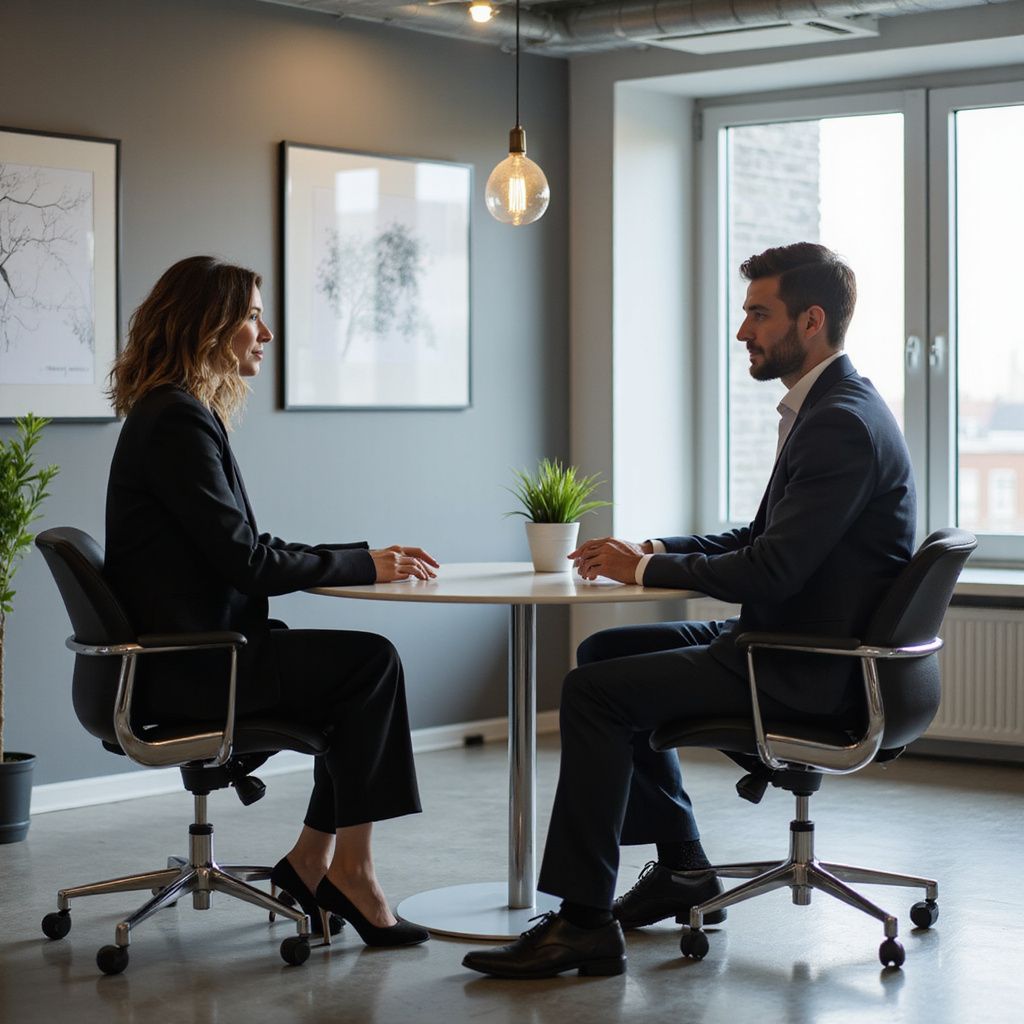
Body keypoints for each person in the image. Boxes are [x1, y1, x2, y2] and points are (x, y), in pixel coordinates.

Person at [462, 242, 916, 978]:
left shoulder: (839, 423)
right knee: (607, 657)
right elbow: (762, 538)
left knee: (593, 694)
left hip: (804, 665)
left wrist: (644, 569)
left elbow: (770, 567)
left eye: (758, 315)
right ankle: (684, 867)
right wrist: (654, 547)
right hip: (790, 638)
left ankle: (583, 922)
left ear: (811, 320)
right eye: (745, 314)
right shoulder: (831, 407)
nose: (744, 332)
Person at [105, 255, 439, 948]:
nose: (267, 332)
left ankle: (316, 863)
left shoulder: (176, 411)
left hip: (192, 655)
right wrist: (363, 566)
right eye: (253, 315)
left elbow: (241, 546)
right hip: (197, 668)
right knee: (369, 665)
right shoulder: (175, 421)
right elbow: (246, 561)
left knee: (356, 676)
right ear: (209, 325)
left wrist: (362, 558)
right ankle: (351, 872)